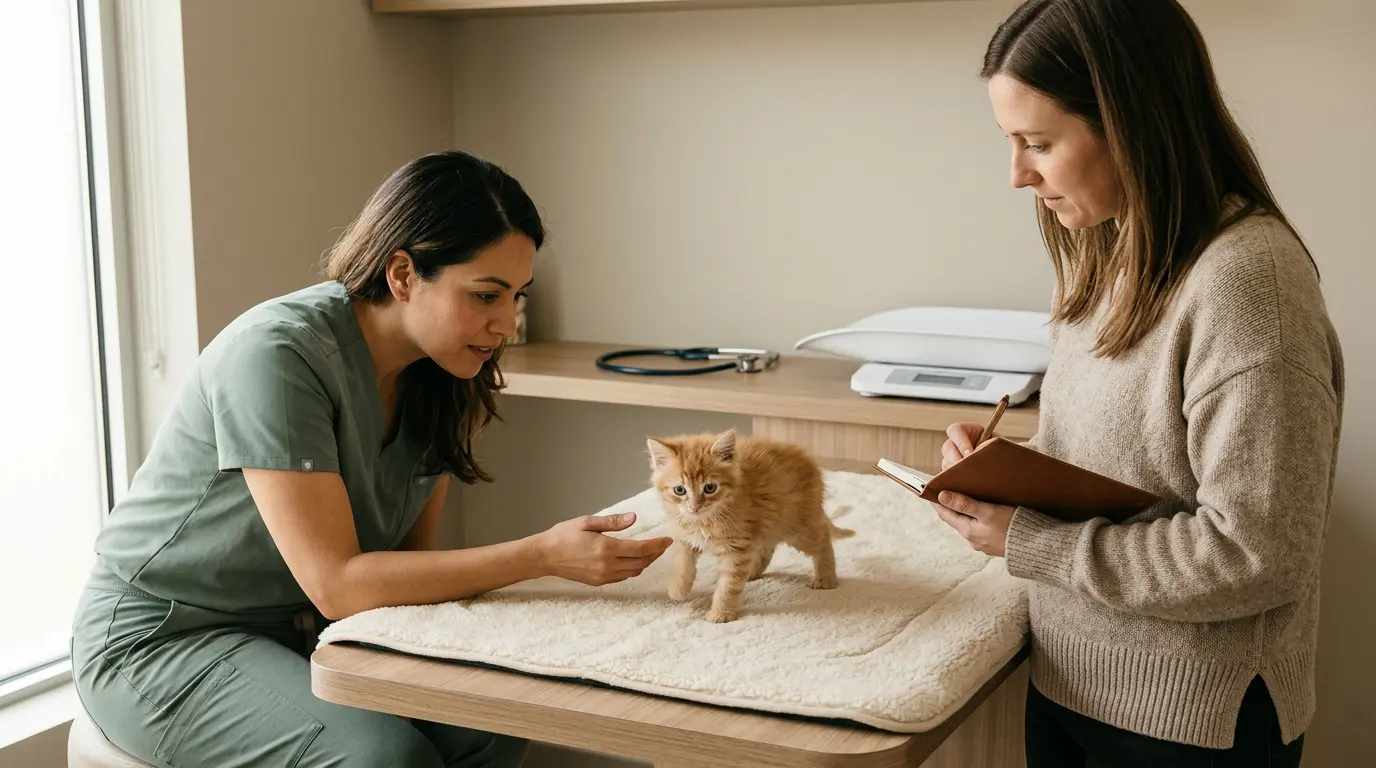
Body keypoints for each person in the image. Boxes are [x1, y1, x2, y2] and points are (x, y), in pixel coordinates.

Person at [70, 150, 675, 768]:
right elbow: (338, 585)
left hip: (303, 632)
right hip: (163, 639)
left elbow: (407, 570)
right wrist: (541, 555)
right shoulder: (277, 356)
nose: (505, 323)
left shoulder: (446, 373)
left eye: (516, 296)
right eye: (486, 295)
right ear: (404, 274)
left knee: (496, 717)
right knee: (382, 758)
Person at [931, 1, 1344, 766]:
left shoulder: (1249, 286)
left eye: (1038, 143)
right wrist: (1006, 470)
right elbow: (1135, 464)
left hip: (1187, 722)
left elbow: (1256, 556)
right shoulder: (1114, 253)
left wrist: (1031, 543)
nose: (1017, 175)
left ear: (1131, 124)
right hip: (1070, 681)